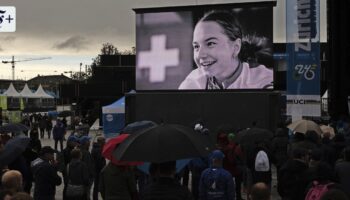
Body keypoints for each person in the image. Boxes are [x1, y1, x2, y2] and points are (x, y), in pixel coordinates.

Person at [179, 10, 273, 90]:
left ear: (236, 47)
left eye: (210, 43)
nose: (200, 55)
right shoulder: (193, 83)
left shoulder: (264, 82)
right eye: (196, 47)